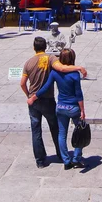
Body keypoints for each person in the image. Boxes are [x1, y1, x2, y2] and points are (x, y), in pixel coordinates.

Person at [20, 37, 87, 168]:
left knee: (36, 130)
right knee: (58, 129)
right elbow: (63, 70)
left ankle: (40, 161)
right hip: (50, 101)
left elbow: (22, 83)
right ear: (45, 46)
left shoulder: (28, 63)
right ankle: (65, 156)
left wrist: (30, 96)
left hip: (35, 101)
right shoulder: (50, 59)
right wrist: (79, 67)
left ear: (34, 48)